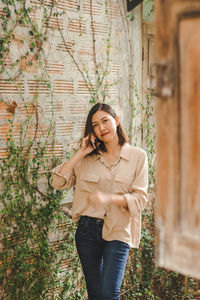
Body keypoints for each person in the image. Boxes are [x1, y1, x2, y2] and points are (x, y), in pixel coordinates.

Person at [50, 103, 148, 300]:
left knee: (108, 293)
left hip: (119, 230)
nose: (101, 128)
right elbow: (57, 182)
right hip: (87, 231)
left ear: (116, 121)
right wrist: (81, 153)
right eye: (95, 125)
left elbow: (140, 200)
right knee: (96, 295)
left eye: (105, 121)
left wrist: (108, 198)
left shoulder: (138, 156)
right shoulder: (86, 158)